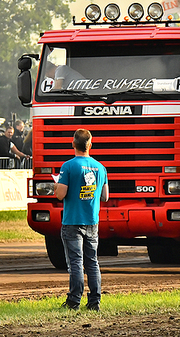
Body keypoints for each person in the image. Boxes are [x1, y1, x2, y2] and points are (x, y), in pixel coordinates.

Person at [54, 129, 109, 311]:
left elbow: (61, 195)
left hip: (72, 220)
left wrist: (56, 186)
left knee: (76, 262)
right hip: (92, 220)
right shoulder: (100, 167)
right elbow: (105, 197)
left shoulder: (68, 166)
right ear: (90, 145)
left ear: (73, 144)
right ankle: (94, 301)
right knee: (92, 261)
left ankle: (73, 301)